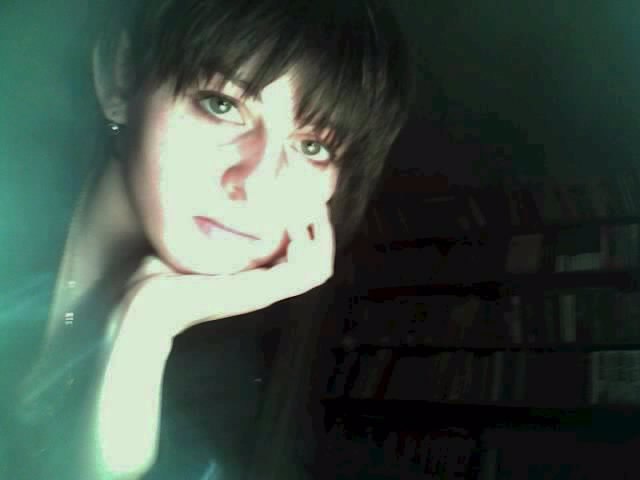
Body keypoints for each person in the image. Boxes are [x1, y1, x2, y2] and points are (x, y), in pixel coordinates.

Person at [1, 0, 414, 478]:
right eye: (223, 105)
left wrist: (146, 325)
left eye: (312, 146)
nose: (257, 182)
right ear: (120, 79)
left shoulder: (226, 400)